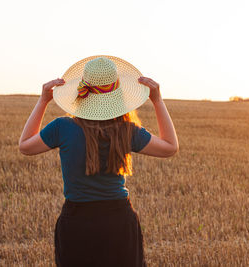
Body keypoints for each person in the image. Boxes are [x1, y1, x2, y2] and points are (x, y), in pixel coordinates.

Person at [18, 56, 178, 266]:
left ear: (81, 93)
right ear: (118, 95)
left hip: (77, 224)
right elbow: (170, 147)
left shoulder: (62, 128)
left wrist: (43, 101)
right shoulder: (126, 131)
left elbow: (25, 146)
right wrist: (158, 101)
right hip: (119, 223)